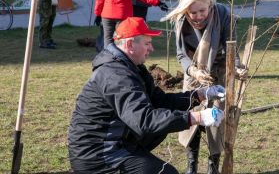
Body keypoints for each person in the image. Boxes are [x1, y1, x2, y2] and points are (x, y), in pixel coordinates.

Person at [68, 16, 226, 173]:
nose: (151, 49)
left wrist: (200, 94)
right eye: (147, 43)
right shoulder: (115, 75)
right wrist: (197, 118)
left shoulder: (132, 67)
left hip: (115, 143)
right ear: (130, 44)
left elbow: (160, 100)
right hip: (97, 155)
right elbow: (144, 120)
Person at [162, 0, 247, 174]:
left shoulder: (223, 15)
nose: (198, 16)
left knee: (215, 121)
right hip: (194, 74)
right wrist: (193, 71)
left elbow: (230, 48)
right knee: (191, 121)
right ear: (186, 10)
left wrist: (237, 67)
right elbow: (181, 55)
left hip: (218, 73)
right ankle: (191, 167)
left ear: (210, 3)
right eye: (193, 12)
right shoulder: (181, 20)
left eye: (202, 10)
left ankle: (213, 168)